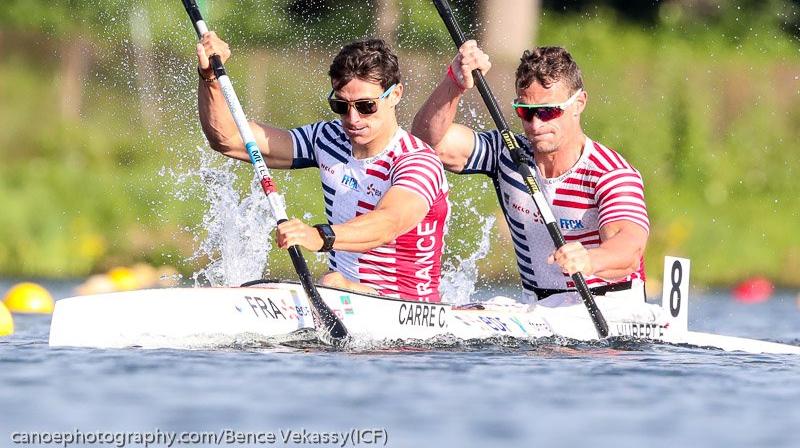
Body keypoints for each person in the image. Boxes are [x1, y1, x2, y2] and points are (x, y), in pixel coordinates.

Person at [197, 33, 450, 302]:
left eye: (366, 106)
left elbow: (388, 223)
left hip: (406, 309)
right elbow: (229, 140)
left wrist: (319, 236)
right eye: (341, 106)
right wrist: (210, 78)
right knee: (330, 281)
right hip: (343, 296)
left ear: (395, 95)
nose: (353, 119)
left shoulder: (417, 161)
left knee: (331, 280)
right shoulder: (328, 138)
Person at [412, 41, 649, 304]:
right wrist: (454, 83)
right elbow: (428, 143)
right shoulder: (508, 153)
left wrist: (590, 259)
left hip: (606, 306)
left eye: (548, 111)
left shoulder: (610, 173)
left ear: (579, 103)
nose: (536, 125)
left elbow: (630, 248)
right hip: (535, 306)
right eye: (526, 112)